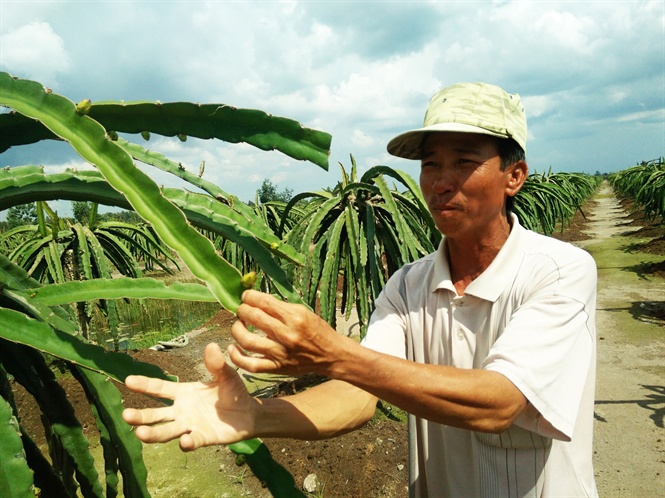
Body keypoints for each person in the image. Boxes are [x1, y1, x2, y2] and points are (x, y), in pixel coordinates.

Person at [122, 82, 598, 497]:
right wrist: (254, 415)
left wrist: (335, 353)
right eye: (431, 165)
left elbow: (500, 402)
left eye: (465, 162)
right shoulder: (407, 285)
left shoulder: (559, 271)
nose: (441, 182)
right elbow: (357, 396)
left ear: (514, 176)